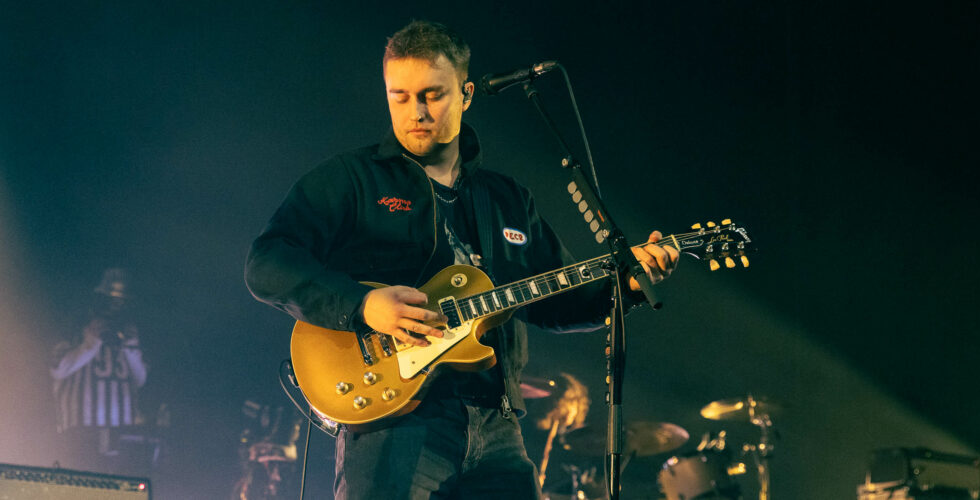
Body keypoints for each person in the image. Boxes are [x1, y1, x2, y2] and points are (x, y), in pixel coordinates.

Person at [244, 20, 677, 500]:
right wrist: (362, 306)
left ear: (466, 94)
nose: (416, 112)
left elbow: (557, 300)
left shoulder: (507, 199)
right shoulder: (352, 179)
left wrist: (627, 286)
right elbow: (267, 263)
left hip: (497, 424)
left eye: (432, 95)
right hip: (396, 422)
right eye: (400, 96)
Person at [50, 267, 149, 474]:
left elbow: (140, 379)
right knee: (81, 478)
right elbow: (58, 369)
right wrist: (91, 341)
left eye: (121, 302)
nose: (116, 307)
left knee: (117, 482)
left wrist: (131, 347)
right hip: (81, 427)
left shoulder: (127, 332)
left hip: (120, 427)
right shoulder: (74, 327)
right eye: (111, 301)